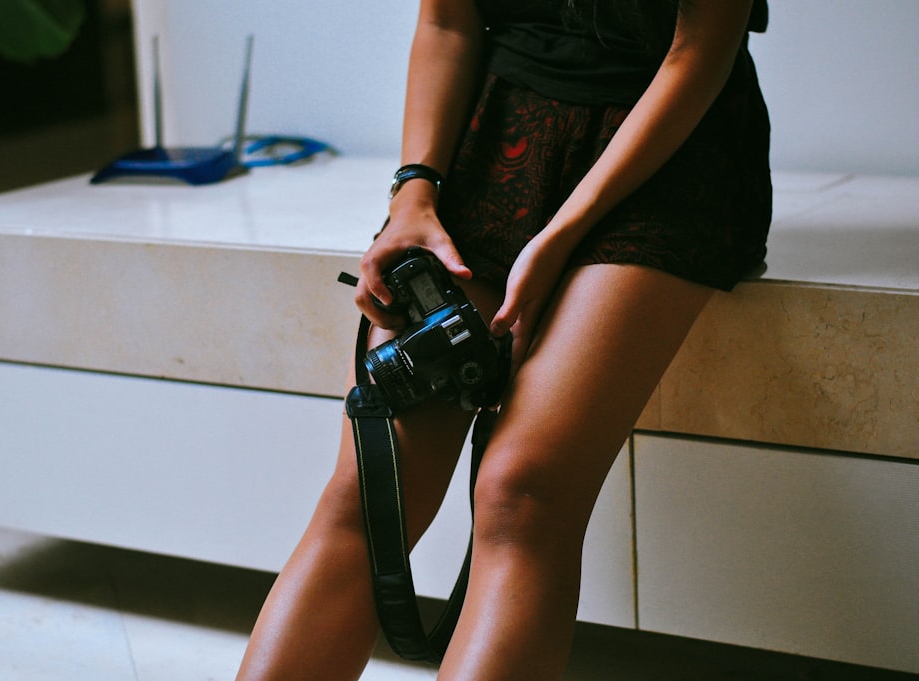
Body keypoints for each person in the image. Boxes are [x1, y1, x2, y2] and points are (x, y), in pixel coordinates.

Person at [235, 0, 771, 679]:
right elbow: (446, 21)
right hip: (502, 136)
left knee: (524, 490)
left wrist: (559, 238)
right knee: (373, 488)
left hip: (668, 150)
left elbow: (700, 51)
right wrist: (412, 194)